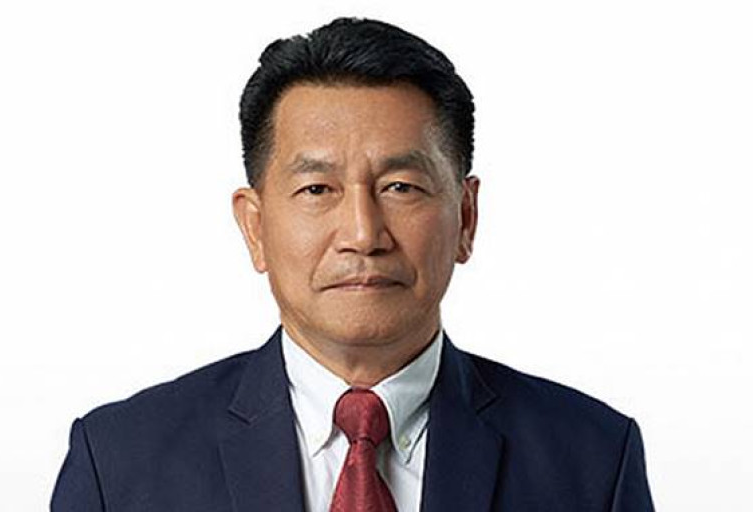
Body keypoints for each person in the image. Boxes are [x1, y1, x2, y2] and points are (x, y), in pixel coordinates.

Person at [51, 17, 654, 511]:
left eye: (401, 187)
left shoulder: (592, 460)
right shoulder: (120, 463)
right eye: (318, 189)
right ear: (254, 227)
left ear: (466, 217)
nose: (363, 234)